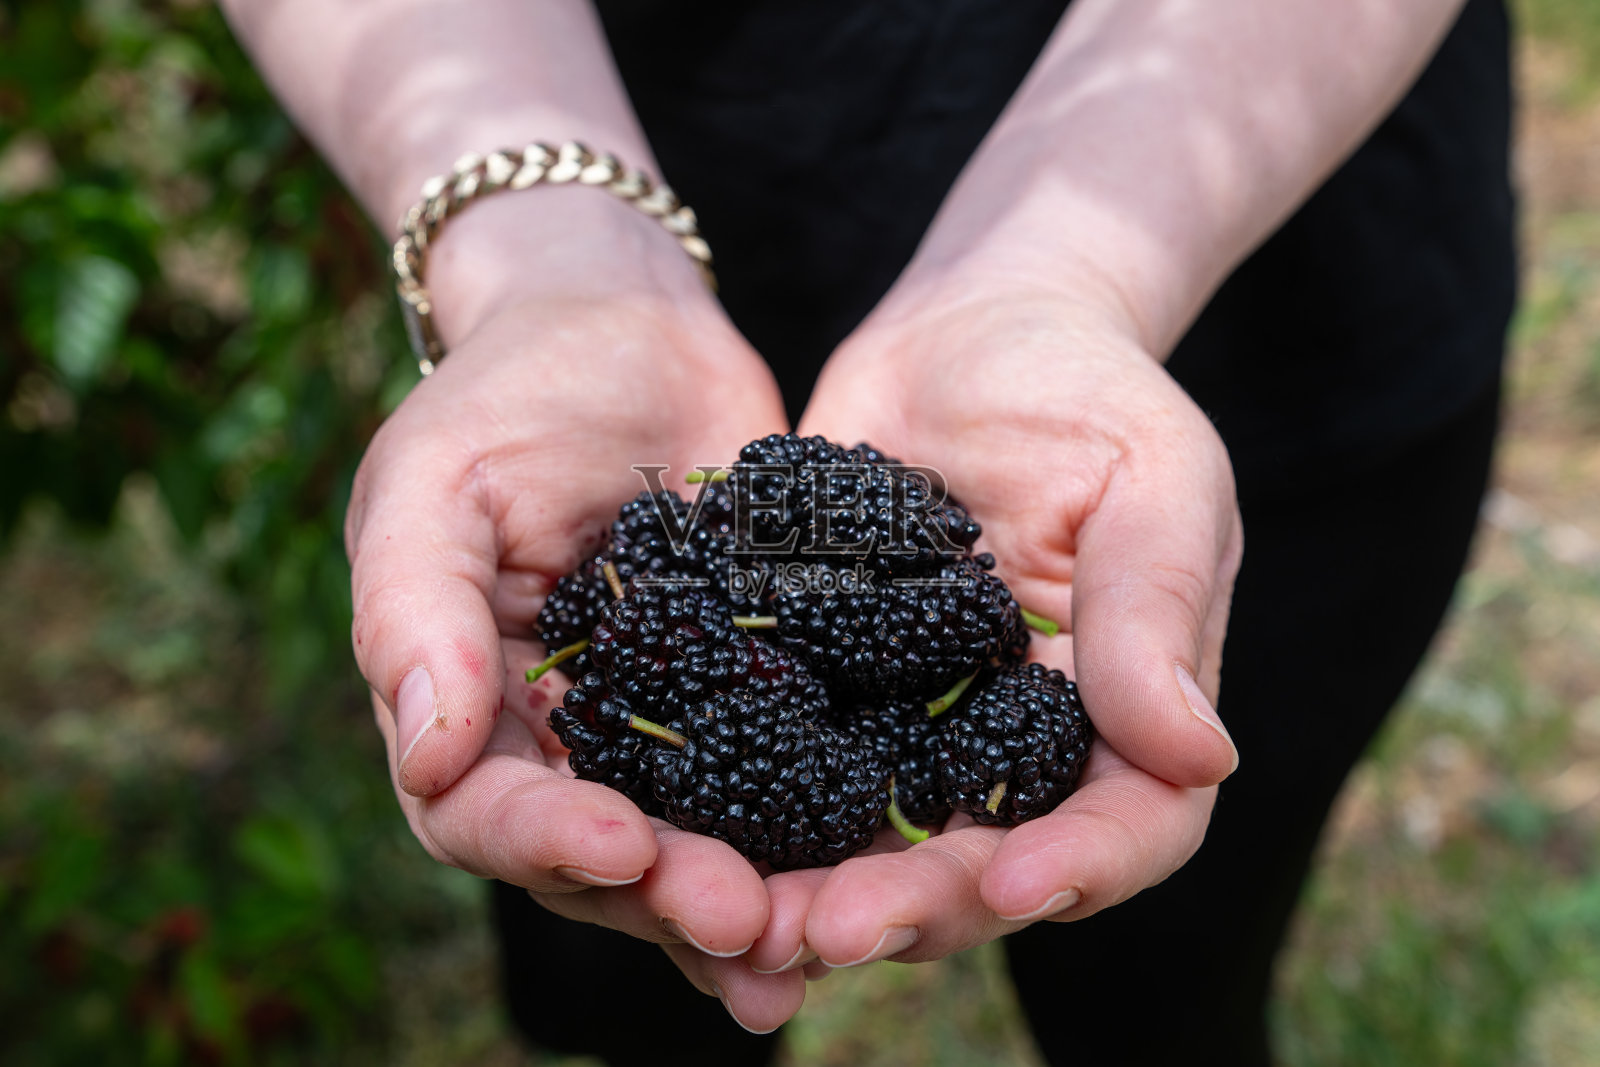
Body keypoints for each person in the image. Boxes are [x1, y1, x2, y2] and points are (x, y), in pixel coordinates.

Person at [221, 0, 1514, 1062]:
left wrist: (1073, 276)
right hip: (650, 197)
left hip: (1261, 253)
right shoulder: (664, 595)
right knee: (640, 974)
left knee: (1170, 980)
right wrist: (548, 268)